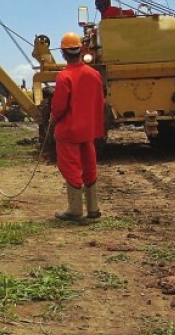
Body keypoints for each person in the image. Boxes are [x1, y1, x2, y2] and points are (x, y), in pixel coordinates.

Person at [50, 32, 105, 221]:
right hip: (88, 130)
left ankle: (74, 209)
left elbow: (59, 106)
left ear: (63, 53)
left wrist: (54, 119)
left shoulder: (64, 77)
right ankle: (93, 209)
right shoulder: (94, 74)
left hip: (69, 131)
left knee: (71, 167)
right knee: (89, 166)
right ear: (81, 50)